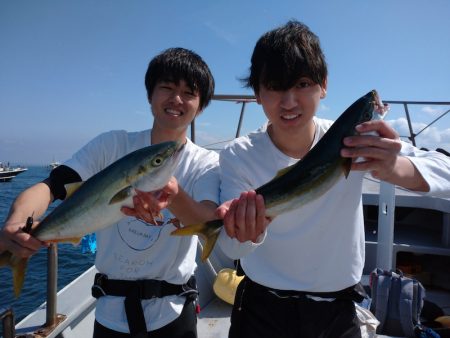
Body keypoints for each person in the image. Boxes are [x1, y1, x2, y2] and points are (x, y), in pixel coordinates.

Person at [215, 20, 450, 338]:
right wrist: (246, 233)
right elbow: (233, 249)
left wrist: (395, 168)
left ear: (323, 85)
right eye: (274, 86)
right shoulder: (237, 155)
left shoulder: (355, 140)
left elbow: (445, 170)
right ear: (257, 93)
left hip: (337, 311)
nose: (289, 102)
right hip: (261, 307)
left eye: (301, 84)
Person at [1, 47, 219, 338]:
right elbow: (51, 187)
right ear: (150, 95)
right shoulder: (112, 146)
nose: (176, 99)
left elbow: (208, 219)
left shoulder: (206, 162)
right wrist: (17, 221)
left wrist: (175, 196)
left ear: (201, 105)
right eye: (166, 87)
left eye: (189, 93)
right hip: (110, 315)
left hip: (173, 313)